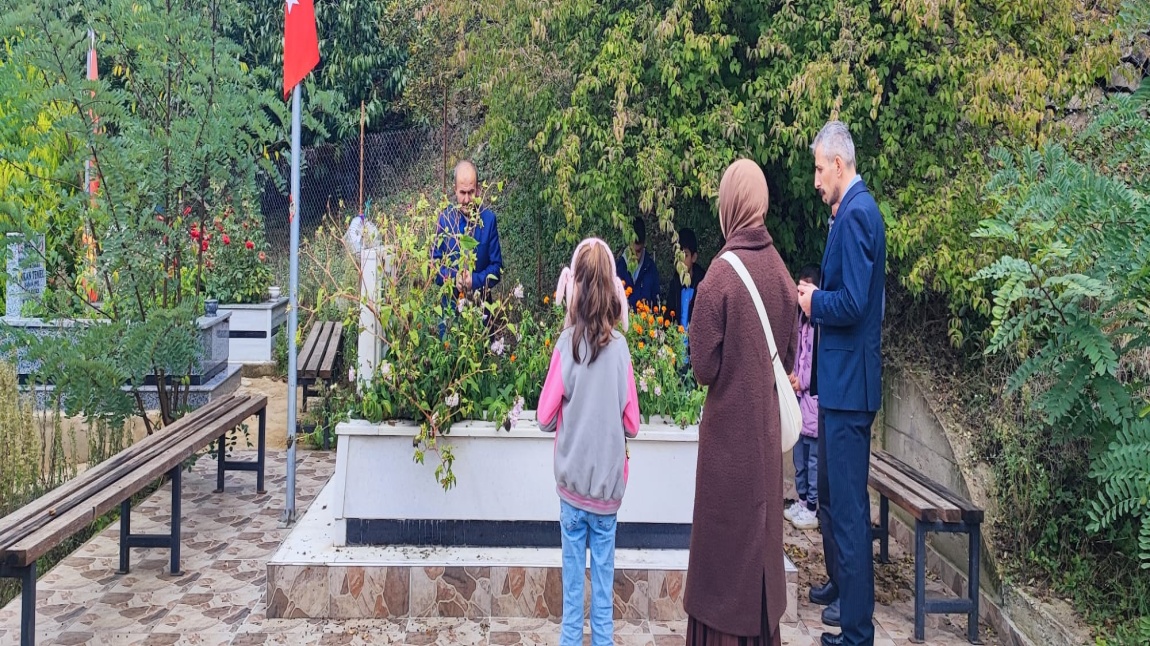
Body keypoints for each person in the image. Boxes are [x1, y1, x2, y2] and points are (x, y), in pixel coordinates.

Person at [685, 159, 798, 646]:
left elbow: (703, 367)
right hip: (767, 441)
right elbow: (790, 353)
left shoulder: (720, 276)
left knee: (722, 553)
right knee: (759, 544)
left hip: (727, 446)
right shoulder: (780, 273)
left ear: (730, 204)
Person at [798, 121, 887, 646]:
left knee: (850, 513)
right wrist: (820, 293)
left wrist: (813, 303)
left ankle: (858, 633)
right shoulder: (850, 214)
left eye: (817, 168)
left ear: (838, 163)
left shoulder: (856, 215)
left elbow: (854, 303)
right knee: (833, 501)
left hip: (850, 388)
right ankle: (847, 601)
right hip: (839, 386)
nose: (814, 180)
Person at [537, 237, 641, 646]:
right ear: (613, 289)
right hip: (608, 495)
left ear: (574, 288)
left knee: (571, 601)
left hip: (572, 492)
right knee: (602, 596)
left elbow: (545, 417)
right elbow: (631, 424)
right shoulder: (621, 351)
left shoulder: (566, 347)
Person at [785, 264, 821, 531]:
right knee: (800, 457)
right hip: (799, 401)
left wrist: (802, 381)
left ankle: (812, 506)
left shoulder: (819, 325)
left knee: (813, 460)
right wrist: (792, 376)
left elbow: (815, 363)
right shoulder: (800, 322)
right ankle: (801, 500)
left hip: (813, 404)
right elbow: (798, 356)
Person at [432, 160, 503, 295]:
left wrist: (475, 281)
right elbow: (434, 267)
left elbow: (497, 268)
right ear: (455, 190)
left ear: (478, 190)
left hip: (480, 307)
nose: (466, 200)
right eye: (462, 192)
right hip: (450, 308)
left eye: (470, 192)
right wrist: (454, 278)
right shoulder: (445, 220)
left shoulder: (488, 220)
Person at [616, 217, 660, 309]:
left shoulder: (651, 268)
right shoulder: (619, 268)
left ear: (644, 244)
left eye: (638, 251)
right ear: (628, 244)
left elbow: (656, 302)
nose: (635, 256)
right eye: (632, 251)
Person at [667, 227, 707, 331]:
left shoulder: (703, 284)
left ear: (694, 257)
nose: (681, 261)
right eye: (678, 255)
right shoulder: (674, 283)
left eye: (685, 255)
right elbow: (669, 317)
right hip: (677, 344)